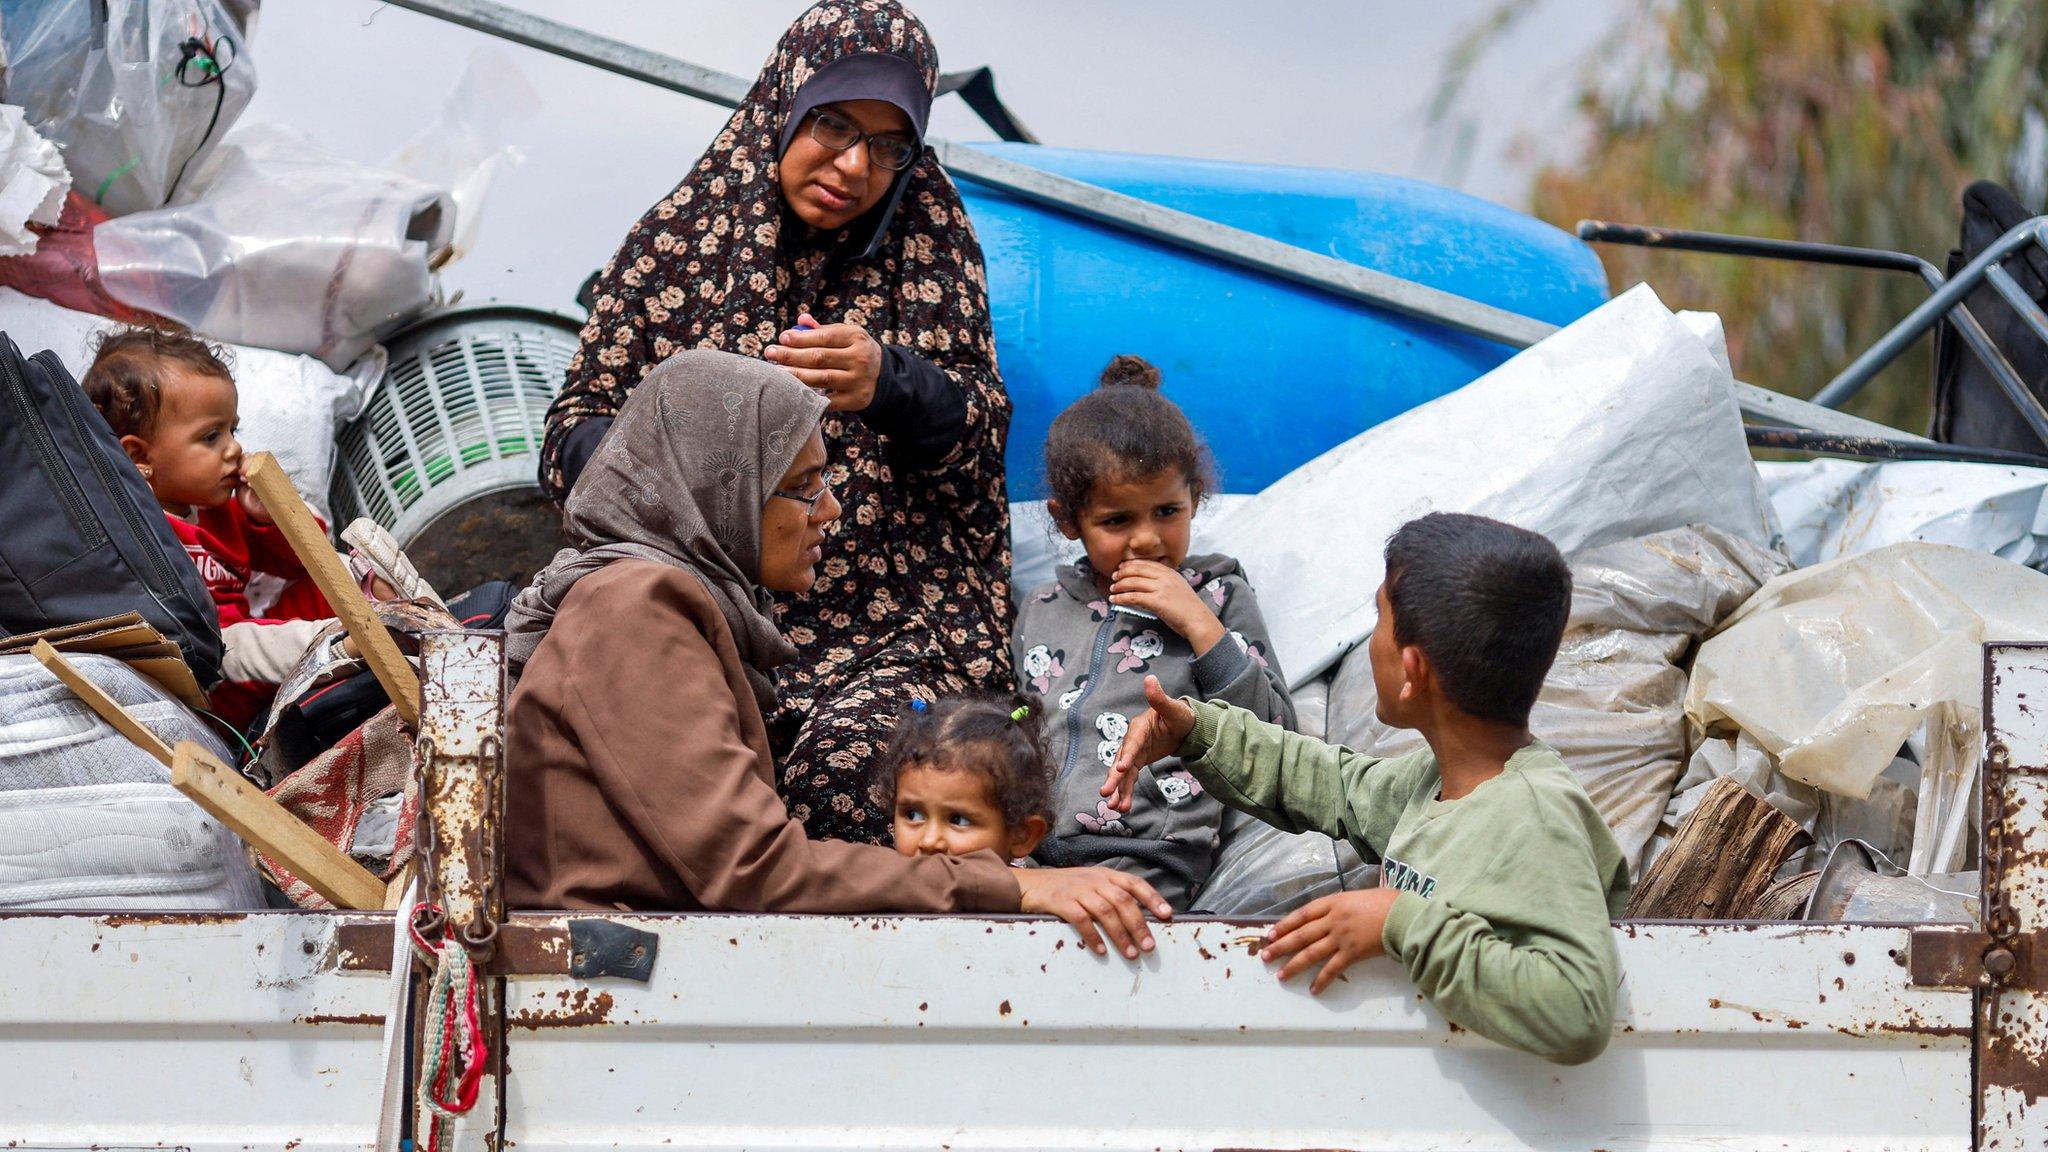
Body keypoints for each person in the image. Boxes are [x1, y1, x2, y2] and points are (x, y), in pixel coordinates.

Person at [506, 349, 1169, 958]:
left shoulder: (670, 601)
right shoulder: (636, 607)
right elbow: (751, 870)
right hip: (609, 979)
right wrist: (1005, 888)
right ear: (725, 491)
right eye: (802, 486)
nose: (830, 509)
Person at [538, 0, 1012, 846]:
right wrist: (690, 464)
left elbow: (981, 448)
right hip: (697, 617)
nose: (855, 165)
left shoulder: (931, 242)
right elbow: (574, 433)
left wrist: (892, 381)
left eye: (888, 145)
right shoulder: (677, 242)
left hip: (889, 628)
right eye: (833, 125)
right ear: (784, 103)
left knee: (856, 781)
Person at [1104, 513, 1630, 1064]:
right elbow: (1328, 781)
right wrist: (1196, 729)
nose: (1369, 640)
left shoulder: (1534, 815)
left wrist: (1397, 920)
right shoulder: (1435, 785)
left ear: (1412, 670)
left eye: (1379, 617)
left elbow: (1579, 1008)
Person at [1016, 355, 1293, 911]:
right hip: (1031, 856)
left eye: (1167, 510)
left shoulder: (1219, 597)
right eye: (1117, 520)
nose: (1146, 539)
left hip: (1151, 855)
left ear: (1196, 497)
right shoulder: (1042, 607)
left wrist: (1197, 623)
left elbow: (1277, 731)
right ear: (1068, 520)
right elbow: (1019, 721)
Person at [81, 328, 335, 730]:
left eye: (233, 429)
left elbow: (307, 562)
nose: (233, 448)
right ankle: (346, 643)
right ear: (139, 456)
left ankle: (377, 616)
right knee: (313, 636)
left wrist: (267, 516)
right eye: (211, 436)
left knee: (345, 574)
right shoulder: (136, 531)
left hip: (257, 634)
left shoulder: (221, 509)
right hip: (217, 672)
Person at [870, 693, 1054, 863]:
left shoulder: (1028, 898)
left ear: (1022, 835)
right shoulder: (886, 891)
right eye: (913, 815)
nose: (929, 841)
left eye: (958, 820)